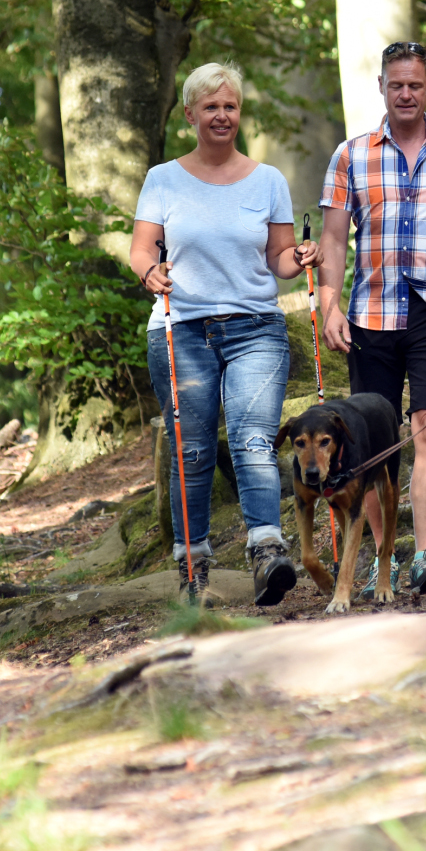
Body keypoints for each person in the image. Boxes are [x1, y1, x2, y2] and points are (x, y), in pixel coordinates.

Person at [130, 61, 322, 607]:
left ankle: (266, 552)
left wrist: (302, 257)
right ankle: (195, 569)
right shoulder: (163, 178)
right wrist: (150, 272)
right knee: (190, 449)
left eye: (230, 106)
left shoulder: (268, 181)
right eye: (211, 106)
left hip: (255, 326)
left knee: (253, 441)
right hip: (180, 329)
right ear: (190, 114)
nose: (222, 115)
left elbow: (280, 260)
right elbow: (142, 248)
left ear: (240, 112)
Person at [316, 41, 426, 597]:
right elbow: (335, 236)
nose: (406, 93)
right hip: (371, 313)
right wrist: (328, 302)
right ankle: (381, 562)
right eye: (396, 85)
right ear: (382, 88)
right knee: (372, 449)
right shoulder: (351, 154)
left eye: (415, 84)